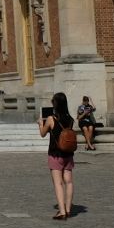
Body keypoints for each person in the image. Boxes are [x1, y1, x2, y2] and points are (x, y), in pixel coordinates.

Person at [39, 92, 77, 220]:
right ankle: (68, 209)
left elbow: (43, 134)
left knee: (58, 183)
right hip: (68, 153)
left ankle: (61, 211)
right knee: (69, 181)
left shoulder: (51, 119)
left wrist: (40, 124)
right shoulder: (71, 119)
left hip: (55, 154)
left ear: (55, 104)